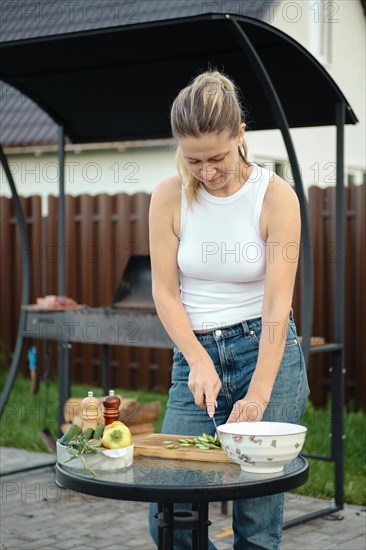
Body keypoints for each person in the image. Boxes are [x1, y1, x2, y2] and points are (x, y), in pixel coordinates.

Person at [148, 69, 310, 550]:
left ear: (241, 135)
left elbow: (279, 305)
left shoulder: (276, 198)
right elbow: (164, 292)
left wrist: (258, 396)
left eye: (217, 156)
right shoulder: (167, 197)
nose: (208, 170)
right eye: (193, 159)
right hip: (195, 358)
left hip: (267, 354)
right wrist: (197, 358)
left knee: (256, 523)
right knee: (170, 515)